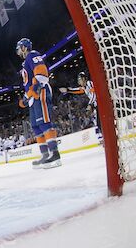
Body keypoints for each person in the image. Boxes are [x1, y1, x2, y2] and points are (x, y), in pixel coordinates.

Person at [16, 38, 62, 169]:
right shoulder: (25, 62)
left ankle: (55, 154)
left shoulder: (33, 55)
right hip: (33, 97)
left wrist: (34, 90)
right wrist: (26, 97)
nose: (18, 51)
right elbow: (28, 83)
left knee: (44, 123)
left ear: (24, 47)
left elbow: (41, 74)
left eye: (19, 48)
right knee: (36, 126)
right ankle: (45, 155)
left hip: (40, 92)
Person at [59, 71, 102, 140]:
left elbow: (94, 94)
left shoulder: (89, 83)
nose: (79, 81)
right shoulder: (84, 88)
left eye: (80, 79)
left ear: (84, 79)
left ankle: (102, 136)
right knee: (96, 121)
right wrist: (67, 90)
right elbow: (76, 90)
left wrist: (90, 104)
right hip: (96, 105)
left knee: (99, 121)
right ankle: (101, 136)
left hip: (100, 104)